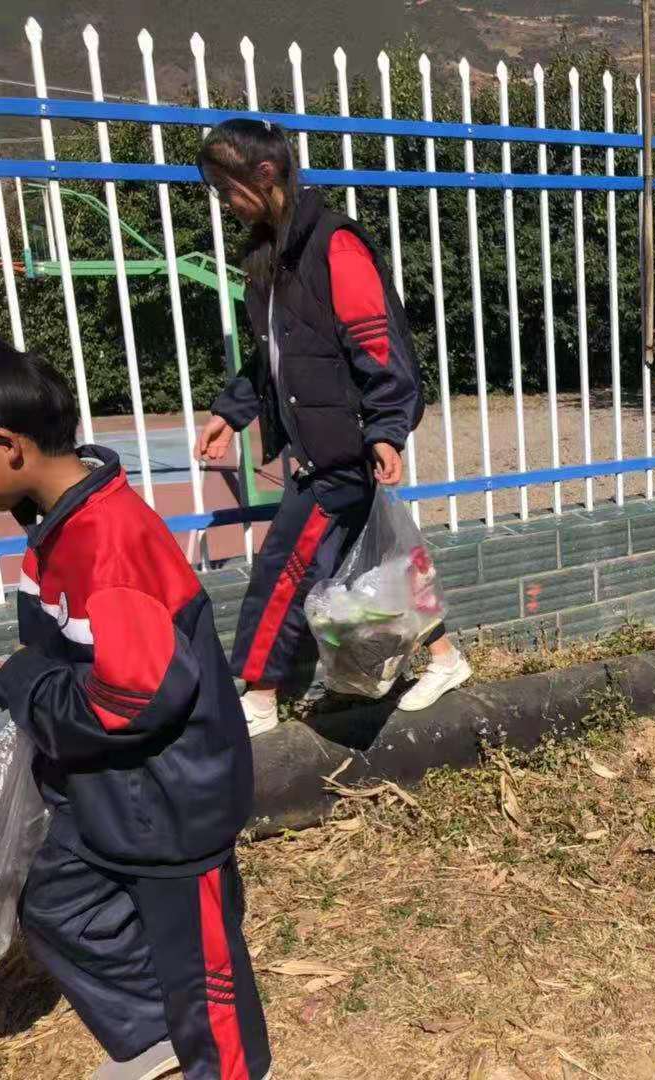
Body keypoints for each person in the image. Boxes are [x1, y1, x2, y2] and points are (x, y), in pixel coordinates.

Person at [0, 341, 271, 1080]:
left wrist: (22, 682)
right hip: (106, 789)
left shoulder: (107, 543)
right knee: (54, 902)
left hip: (170, 803)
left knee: (203, 976)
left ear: (9, 446)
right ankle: (157, 1036)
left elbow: (132, 698)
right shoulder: (54, 520)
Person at [194, 119, 470, 735]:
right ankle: (446, 659)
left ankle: (260, 695)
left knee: (282, 568)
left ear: (265, 173)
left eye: (229, 188)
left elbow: (378, 345)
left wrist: (387, 428)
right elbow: (273, 358)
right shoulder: (271, 256)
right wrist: (230, 413)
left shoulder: (333, 245)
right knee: (379, 561)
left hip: (342, 450)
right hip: (323, 447)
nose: (226, 202)